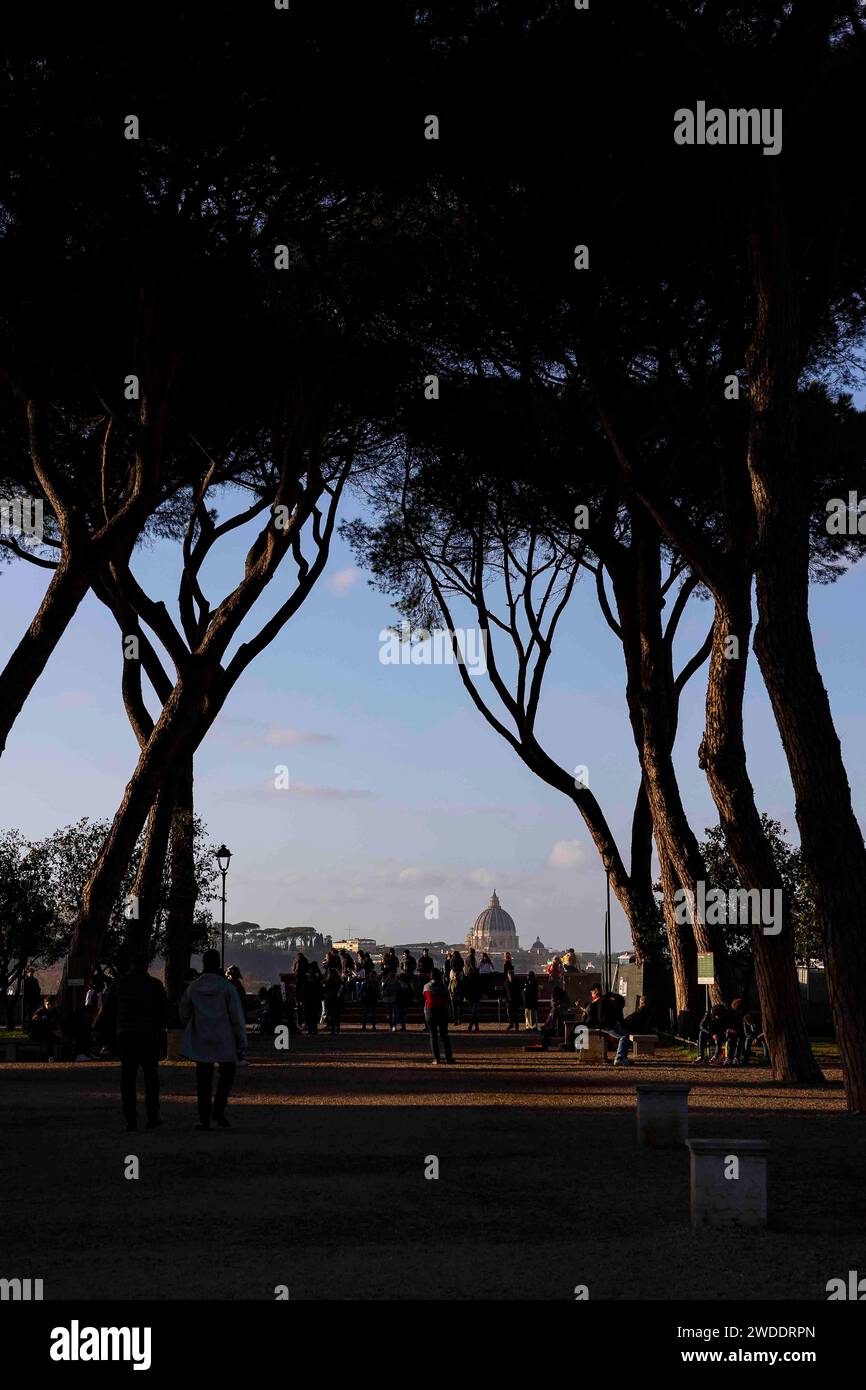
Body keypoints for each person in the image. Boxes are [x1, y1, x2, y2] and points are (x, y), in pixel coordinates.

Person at [100, 954, 169, 1131]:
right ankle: (153, 1116)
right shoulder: (155, 985)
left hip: (126, 1035)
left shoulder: (119, 985)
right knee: (151, 1078)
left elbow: (107, 1012)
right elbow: (164, 1012)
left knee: (128, 1079)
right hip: (149, 1036)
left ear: (131, 964)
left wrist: (108, 1037)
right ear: (147, 965)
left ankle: (130, 1119)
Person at [180, 948, 247, 1130]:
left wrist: (191, 1026)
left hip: (201, 1037)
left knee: (203, 1081)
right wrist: (242, 1041)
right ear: (218, 964)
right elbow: (236, 1017)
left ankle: (204, 1118)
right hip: (224, 1037)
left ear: (203, 963)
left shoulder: (193, 987)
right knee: (227, 1076)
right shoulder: (227, 988)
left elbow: (184, 1013)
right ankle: (218, 1109)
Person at [584, 985, 631, 1064]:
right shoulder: (605, 1002)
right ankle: (620, 1058)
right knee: (623, 1036)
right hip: (605, 1025)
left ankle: (623, 1058)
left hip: (603, 1024)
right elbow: (604, 1017)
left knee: (624, 1034)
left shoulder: (601, 1001)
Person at [423, 968, 454, 1065]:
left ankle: (436, 1058)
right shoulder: (443, 987)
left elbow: (424, 997)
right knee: (444, 1035)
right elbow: (448, 999)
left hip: (430, 1012)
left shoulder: (426, 986)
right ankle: (448, 1058)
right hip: (442, 1011)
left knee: (433, 1036)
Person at [540, 984, 570, 1051]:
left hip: (560, 1016)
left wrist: (559, 1005)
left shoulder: (561, 999)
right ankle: (546, 1031)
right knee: (552, 1014)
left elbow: (563, 1005)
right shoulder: (559, 999)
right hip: (557, 1015)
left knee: (552, 1014)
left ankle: (547, 1030)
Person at [302, 962, 323, 1035]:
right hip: (315, 997)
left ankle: (311, 1029)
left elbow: (304, 987)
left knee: (310, 1014)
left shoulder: (307, 976)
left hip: (309, 997)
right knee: (314, 1014)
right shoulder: (318, 976)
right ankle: (314, 1029)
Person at [323, 965, 343, 1035]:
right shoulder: (340, 981)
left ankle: (333, 1029)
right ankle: (337, 1028)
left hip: (331, 999)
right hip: (338, 999)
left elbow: (326, 989)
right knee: (337, 1015)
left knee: (331, 1014)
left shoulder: (329, 981)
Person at [463, 964, 484, 1031]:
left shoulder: (467, 978)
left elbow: (465, 989)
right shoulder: (479, 978)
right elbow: (481, 988)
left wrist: (466, 996)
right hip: (476, 996)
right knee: (474, 1012)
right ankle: (474, 1026)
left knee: (473, 1012)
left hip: (470, 997)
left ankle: (472, 1026)